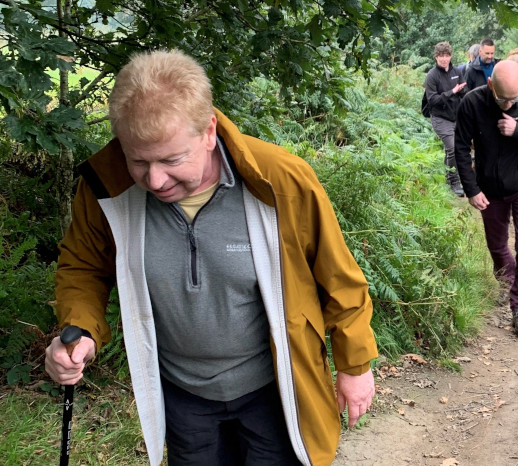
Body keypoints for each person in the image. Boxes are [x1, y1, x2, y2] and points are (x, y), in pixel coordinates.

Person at [43, 50, 378, 466]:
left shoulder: (280, 181)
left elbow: (339, 279)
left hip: (274, 388)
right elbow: (83, 267)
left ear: (208, 131)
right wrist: (80, 328)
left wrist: (355, 365)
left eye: (171, 160)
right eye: (138, 161)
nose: (155, 180)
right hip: (184, 399)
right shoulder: (106, 188)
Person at [454, 61, 518, 336]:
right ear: (491, 86)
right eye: (504, 99)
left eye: (516, 98)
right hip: (489, 188)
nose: (511, 104)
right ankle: (511, 281)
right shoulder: (472, 103)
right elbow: (461, 149)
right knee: (497, 246)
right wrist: (472, 190)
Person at [425, 41, 467, 196]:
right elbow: (433, 100)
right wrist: (452, 91)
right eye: (441, 56)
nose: (444, 59)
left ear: (450, 56)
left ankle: (448, 178)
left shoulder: (457, 72)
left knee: (454, 150)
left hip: (456, 117)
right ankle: (454, 183)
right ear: (436, 57)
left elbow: (464, 93)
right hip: (439, 117)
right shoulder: (432, 75)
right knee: (452, 149)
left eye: (447, 55)